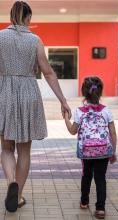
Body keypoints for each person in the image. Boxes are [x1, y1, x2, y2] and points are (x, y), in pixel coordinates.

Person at [0, 1, 71, 213]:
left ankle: (11, 180)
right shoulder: (35, 40)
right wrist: (63, 100)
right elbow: (48, 72)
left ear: (11, 16)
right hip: (28, 94)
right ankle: (18, 194)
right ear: (28, 18)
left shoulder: (0, 37)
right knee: (24, 151)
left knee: (5, 148)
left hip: (3, 94)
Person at [64, 76, 117, 219]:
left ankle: (84, 202)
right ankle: (100, 209)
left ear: (84, 93)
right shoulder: (106, 111)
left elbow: (73, 131)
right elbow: (112, 132)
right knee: (100, 178)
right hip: (103, 150)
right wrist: (113, 151)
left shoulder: (79, 111)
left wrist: (65, 119)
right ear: (100, 92)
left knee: (86, 176)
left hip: (86, 151)